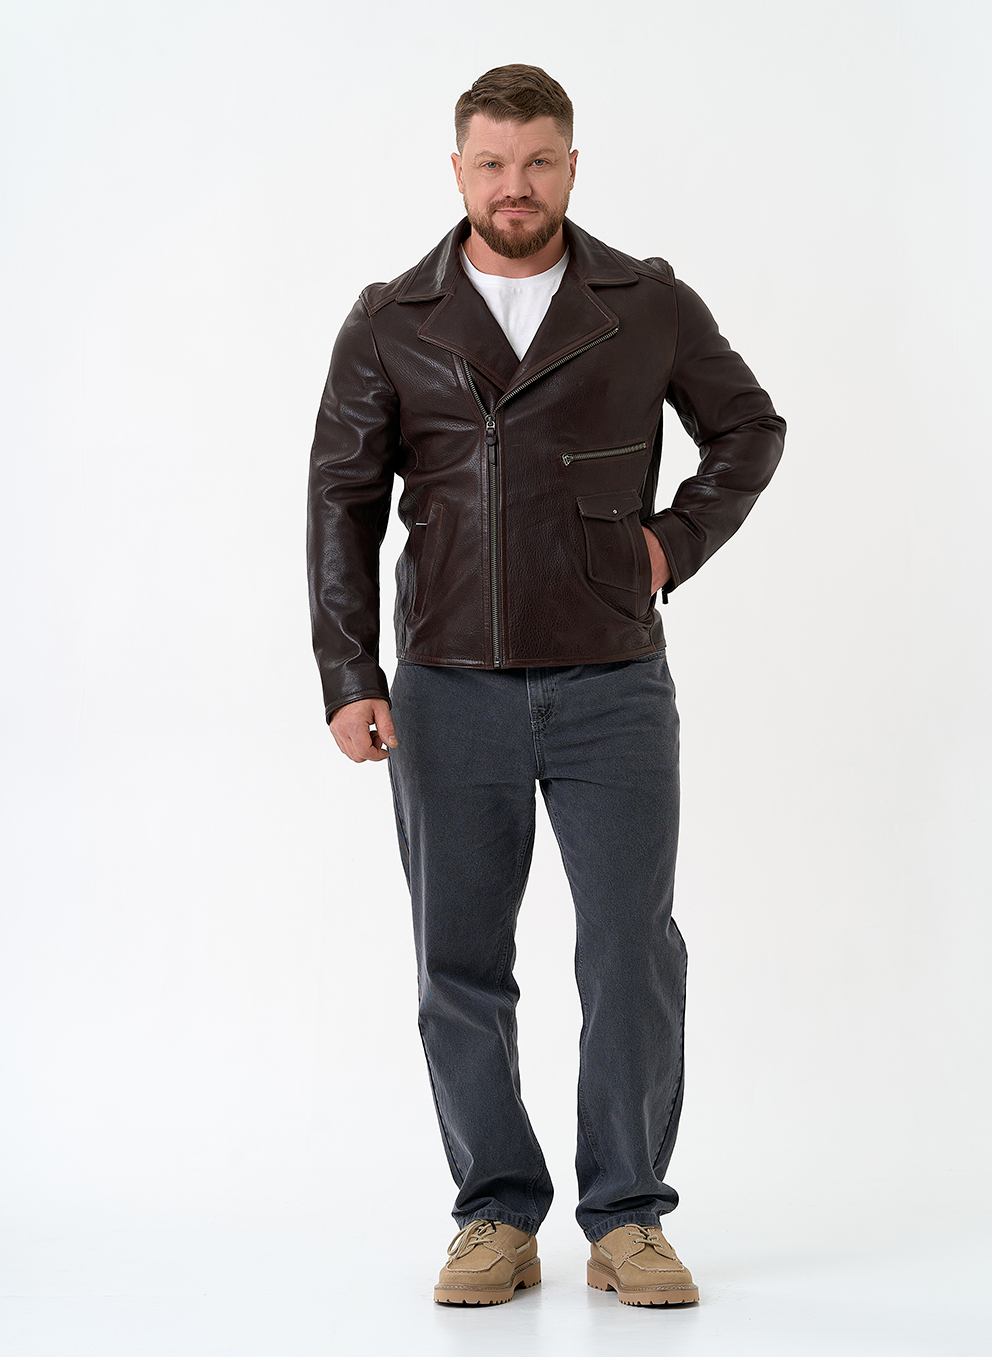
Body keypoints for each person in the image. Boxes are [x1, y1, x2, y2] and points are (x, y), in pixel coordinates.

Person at [307, 63, 785, 1308]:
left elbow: (748, 428)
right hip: (443, 686)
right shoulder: (390, 318)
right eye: (490, 163)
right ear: (456, 170)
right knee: (458, 959)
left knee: (631, 949)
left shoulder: (644, 302)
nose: (512, 186)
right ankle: (493, 1215)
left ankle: (626, 1216)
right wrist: (348, 671)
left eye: (535, 162)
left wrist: (669, 545)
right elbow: (340, 501)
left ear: (571, 166)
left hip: (611, 679)